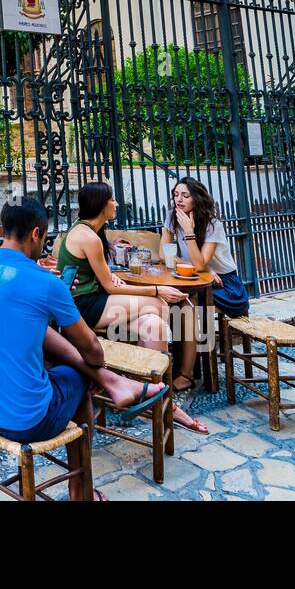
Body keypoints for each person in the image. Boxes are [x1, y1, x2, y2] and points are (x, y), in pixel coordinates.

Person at [0, 197, 167, 501]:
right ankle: (80, 489)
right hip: (26, 421)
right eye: (43, 238)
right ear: (36, 234)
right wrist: (57, 298)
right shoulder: (46, 283)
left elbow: (16, 314)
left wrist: (48, 300)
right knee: (80, 378)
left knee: (40, 334)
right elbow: (93, 351)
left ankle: (117, 384)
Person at [56, 181, 210, 433]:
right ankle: (145, 389)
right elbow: (111, 289)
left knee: (155, 326)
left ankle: (151, 394)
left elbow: (102, 279)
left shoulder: (91, 232)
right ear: (101, 204)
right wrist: (158, 290)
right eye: (112, 200)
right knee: (158, 305)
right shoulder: (87, 236)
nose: (116, 204)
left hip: (95, 300)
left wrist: (109, 276)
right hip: (82, 308)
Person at [162, 176, 251, 342]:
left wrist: (189, 232)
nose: (179, 199)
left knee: (187, 300)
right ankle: (184, 350)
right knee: (176, 297)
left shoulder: (212, 224)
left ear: (196, 199)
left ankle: (201, 353)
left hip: (224, 283)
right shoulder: (172, 216)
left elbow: (200, 264)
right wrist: (201, 268)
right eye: (176, 194)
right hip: (194, 276)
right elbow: (163, 254)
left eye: (185, 196)